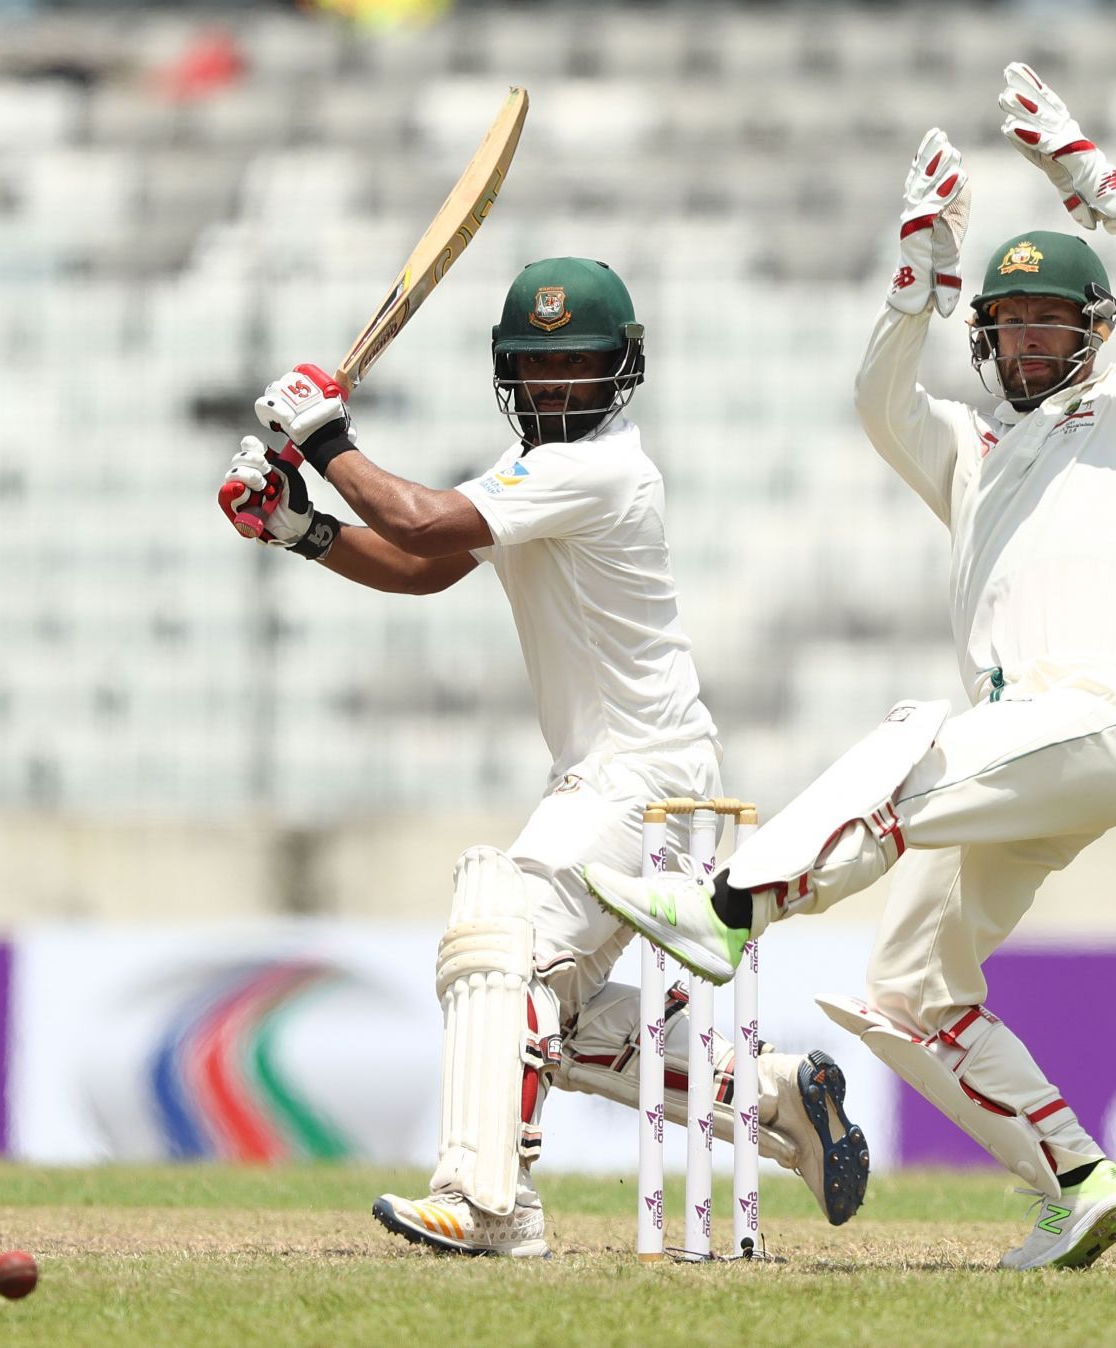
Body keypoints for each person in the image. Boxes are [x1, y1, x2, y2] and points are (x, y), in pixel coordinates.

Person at [582, 65, 1116, 1270]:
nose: (1030, 346)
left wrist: (1087, 179)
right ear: (988, 337)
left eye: (1052, 327)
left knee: (907, 734)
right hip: (1017, 762)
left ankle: (730, 907)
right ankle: (1079, 1180)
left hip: (1090, 723)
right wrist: (920, 278)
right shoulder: (975, 453)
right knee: (905, 991)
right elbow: (882, 400)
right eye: (1012, 327)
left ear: (1095, 335)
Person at [218, 257, 870, 1258]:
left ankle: (486, 1201)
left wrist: (325, 440)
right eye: (536, 369)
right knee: (538, 1020)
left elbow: (420, 518)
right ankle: (779, 1098)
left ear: (623, 372)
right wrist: (301, 527)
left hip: (643, 774)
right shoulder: (538, 475)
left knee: (501, 926)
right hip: (637, 774)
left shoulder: (601, 467)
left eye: (579, 369)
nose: (556, 390)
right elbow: (423, 564)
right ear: (507, 373)